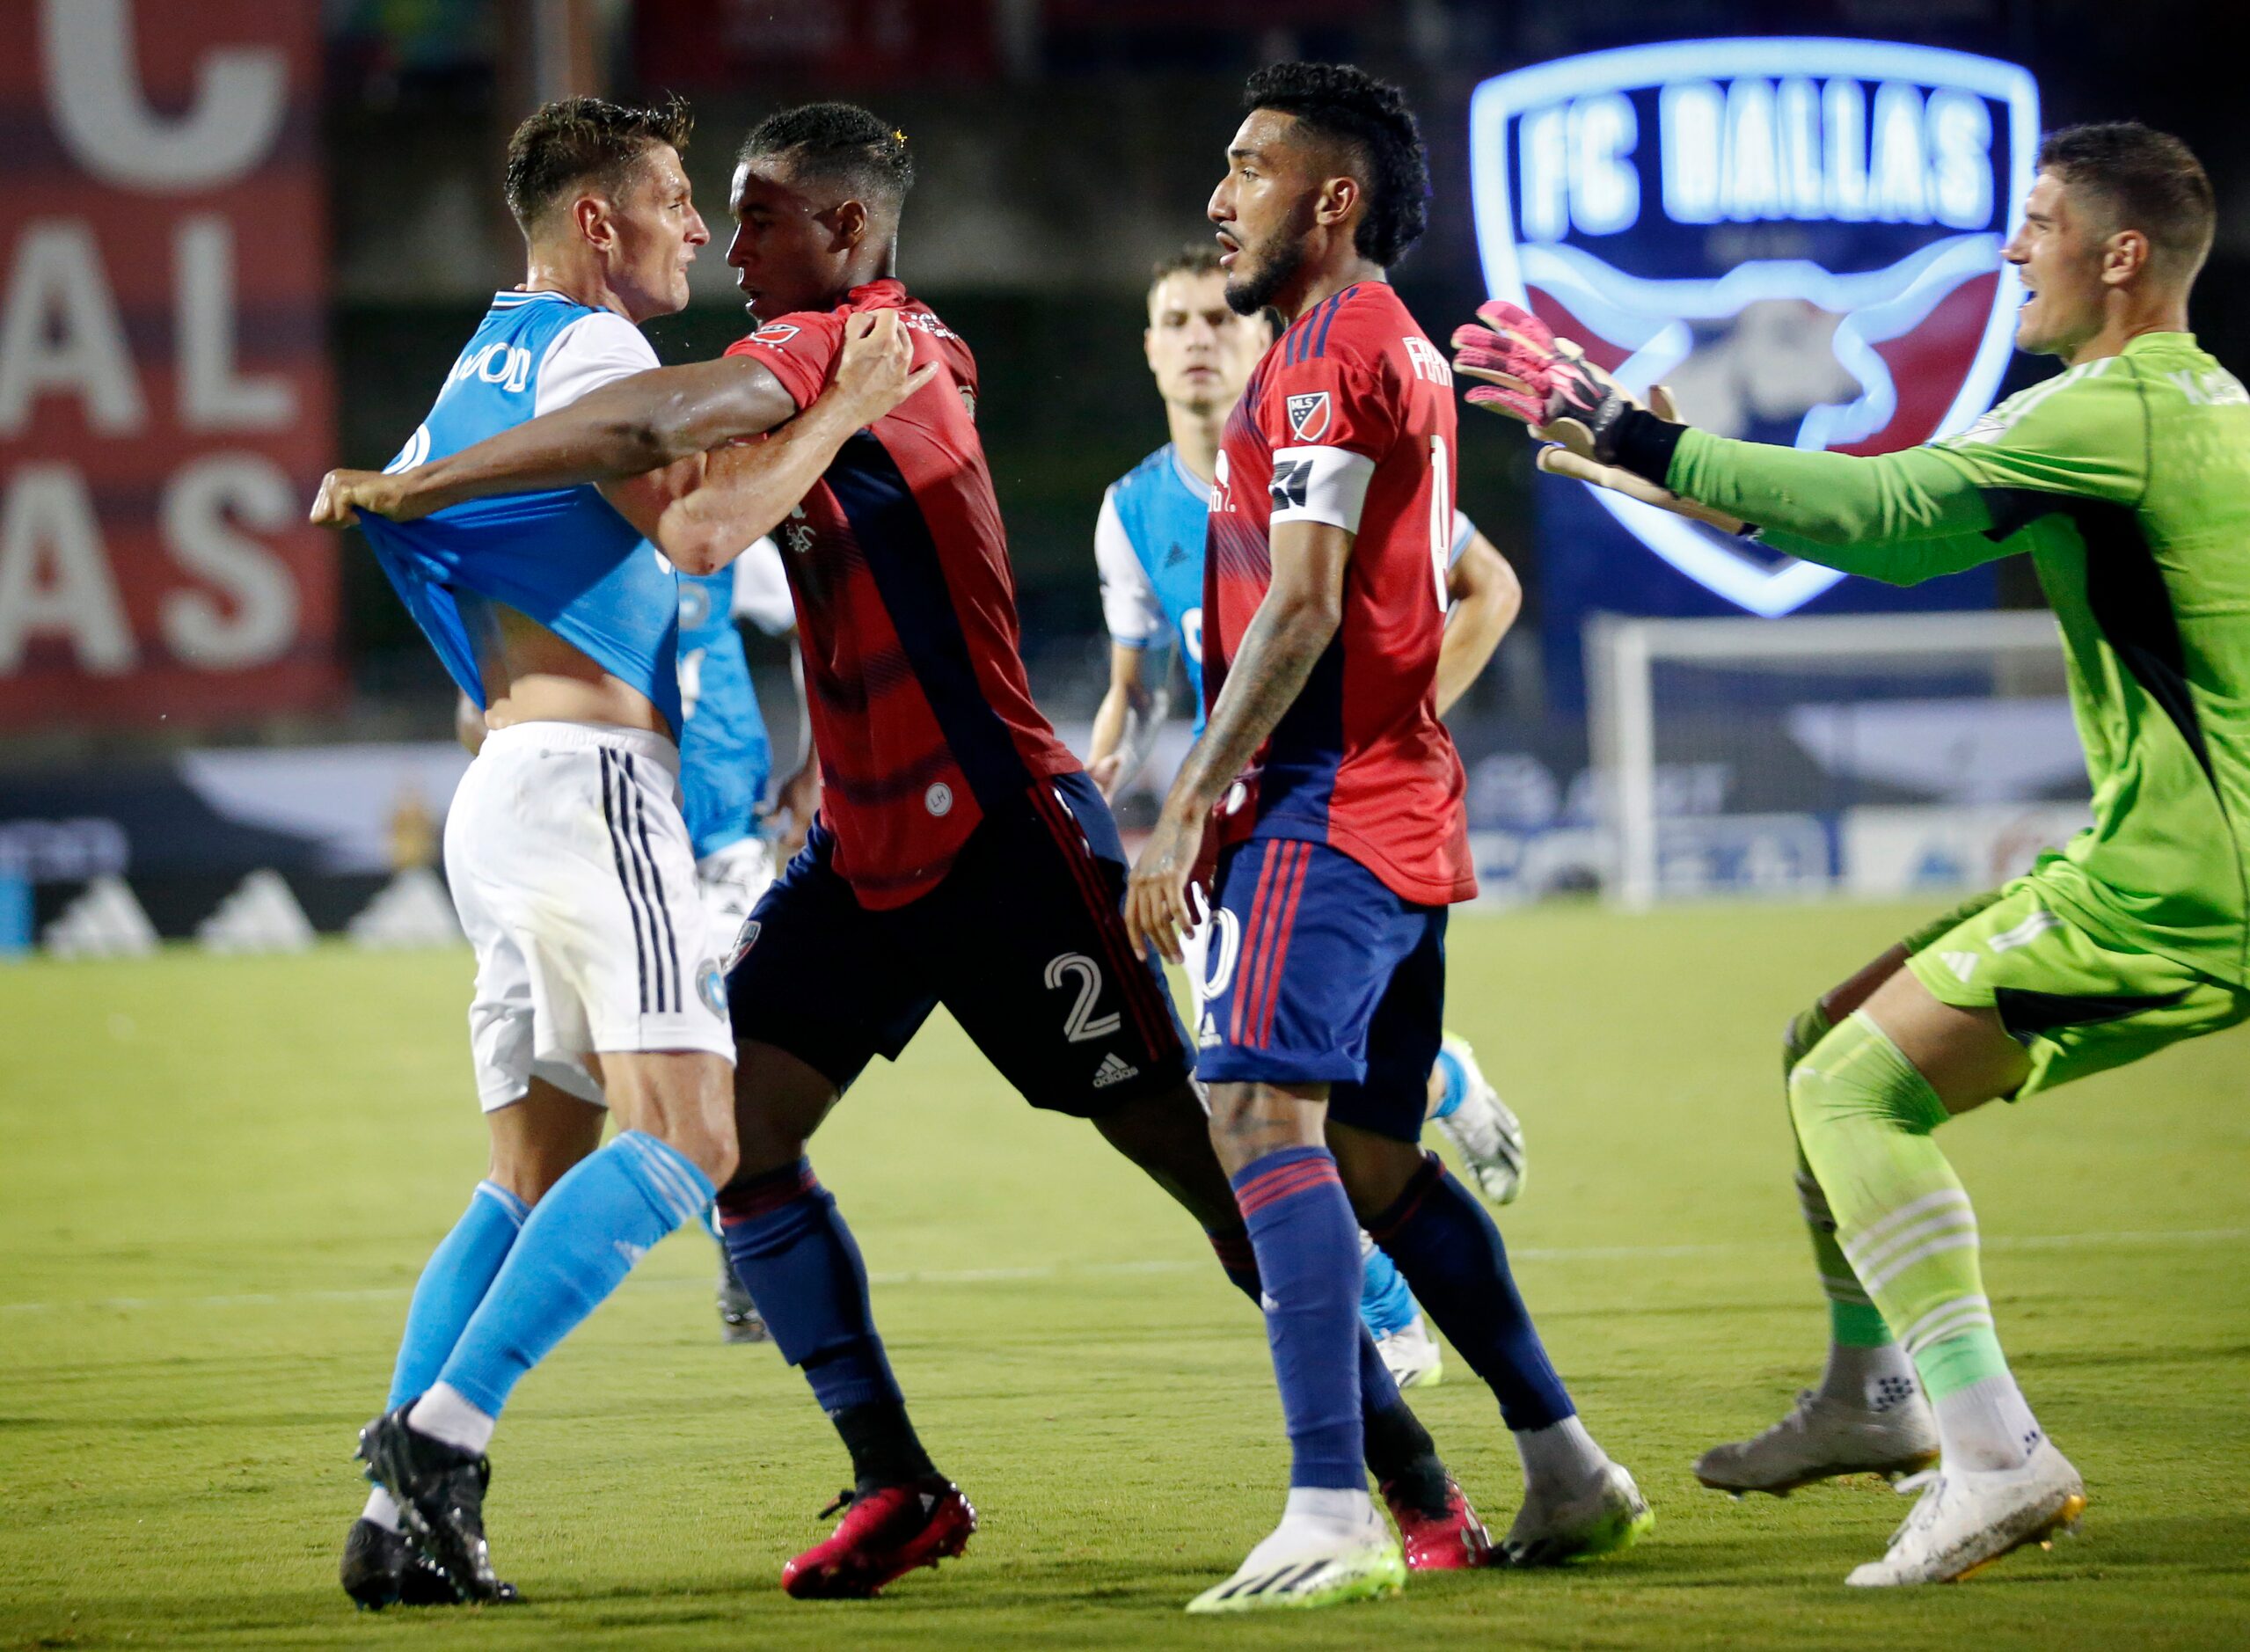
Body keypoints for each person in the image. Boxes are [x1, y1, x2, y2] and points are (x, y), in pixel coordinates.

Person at [320, 99, 1497, 1602]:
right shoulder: (829, 368)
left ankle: (1412, 1482)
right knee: (729, 1146)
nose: (730, 244)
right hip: (866, 853)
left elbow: (669, 469)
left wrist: (418, 488)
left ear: (850, 232)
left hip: (1008, 847)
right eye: (715, 211)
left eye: (758, 216)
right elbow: (725, 501)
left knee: (1208, 1174)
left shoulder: (883, 343)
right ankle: (894, 1478)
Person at [1455, 121, 2246, 1586]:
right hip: (2171, 855)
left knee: (1851, 1084)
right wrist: (1648, 465)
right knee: (1820, 1037)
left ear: (2119, 255)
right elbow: (1892, 534)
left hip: (2193, 884)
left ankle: (1995, 1454)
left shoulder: (2109, 408)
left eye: (2039, 222)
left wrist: (1635, 434)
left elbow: (1884, 511)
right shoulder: (2178, 405)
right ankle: (1873, 1398)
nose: (2013, 249)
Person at [311, 94, 924, 1608]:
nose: (700, 228)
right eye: (673, 199)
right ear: (599, 223)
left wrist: (489, 691)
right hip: (595, 788)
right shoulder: (599, 354)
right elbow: (704, 535)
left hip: (507, 779)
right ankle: (439, 1445)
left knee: (529, 1166)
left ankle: (397, 1527)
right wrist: (843, 409)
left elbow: (402, 532)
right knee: (697, 1137)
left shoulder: (477, 367)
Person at [1127, 62, 1649, 1614]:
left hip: (1319, 805)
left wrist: (1186, 803)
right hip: (1399, 800)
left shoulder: (1319, 357)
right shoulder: (1383, 351)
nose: (1220, 198)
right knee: (1369, 1156)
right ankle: (1561, 1461)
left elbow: (1298, 607)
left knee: (1254, 1126)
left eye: (1247, 167)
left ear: (1330, 198)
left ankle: (1330, 1504)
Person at [1090, 245, 1530, 1389]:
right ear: (1145, 348)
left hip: (1329, 800)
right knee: (1252, 1089)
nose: (1195, 337)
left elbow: (1486, 585)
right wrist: (1105, 758)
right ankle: (1423, 1121)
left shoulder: (1323, 448)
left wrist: (1397, 715)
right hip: (1224, 808)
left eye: (1213, 319)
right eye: (1171, 319)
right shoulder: (1128, 508)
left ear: (1256, 340)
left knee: (1250, 1091)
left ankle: (1384, 1318)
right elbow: (1138, 688)